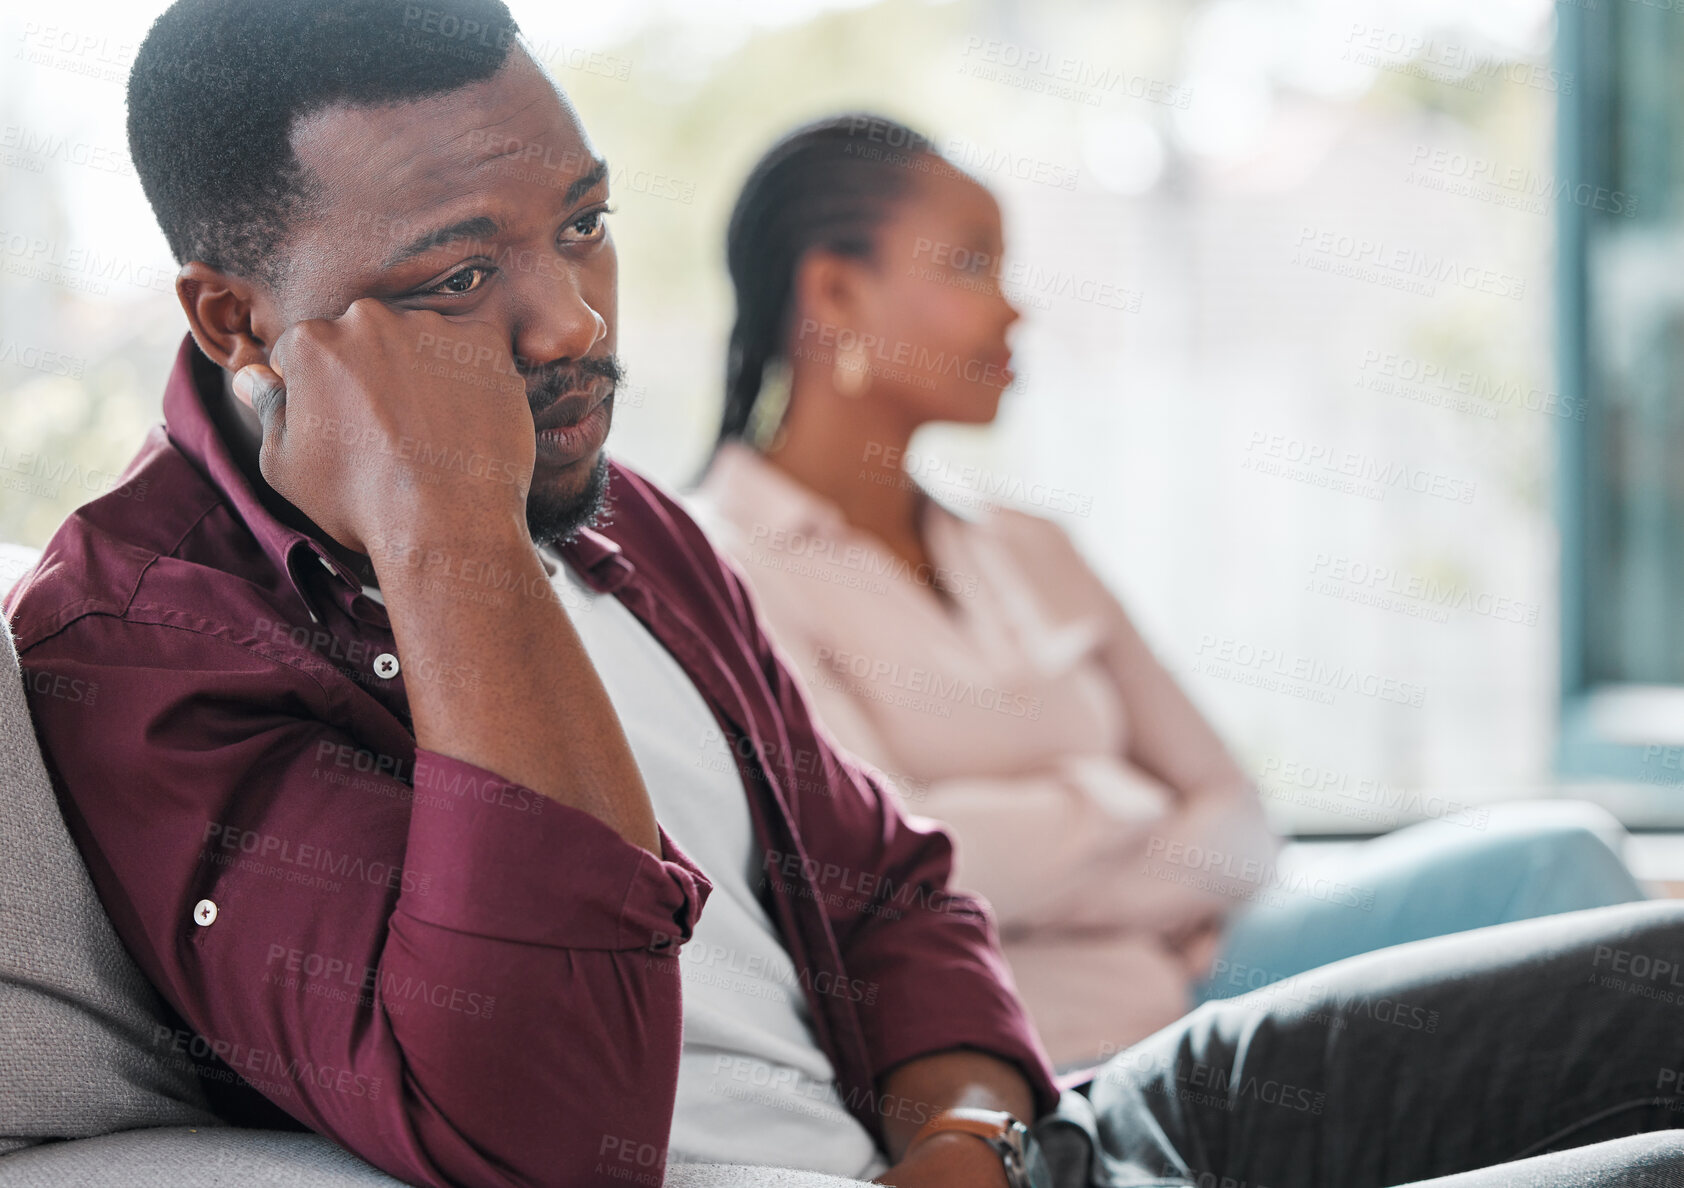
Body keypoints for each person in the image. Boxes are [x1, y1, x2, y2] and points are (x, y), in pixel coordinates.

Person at [6, 5, 1680, 1187]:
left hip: (1072, 1132)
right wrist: (446, 541)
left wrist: (963, 1136)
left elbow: (892, 890)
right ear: (237, 322)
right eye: (458, 278)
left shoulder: (630, 523)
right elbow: (538, 1113)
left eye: (582, 227)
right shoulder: (147, 640)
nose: (573, 321)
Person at [688, 115, 1648, 1068]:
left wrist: (1055, 845)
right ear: (837, 292)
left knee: (1558, 860)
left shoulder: (1028, 544)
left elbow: (1234, 810)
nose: (1013, 312)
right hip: (1053, 1040)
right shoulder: (724, 566)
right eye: (972, 266)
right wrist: (1127, 813)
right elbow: (886, 873)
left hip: (1222, 967)